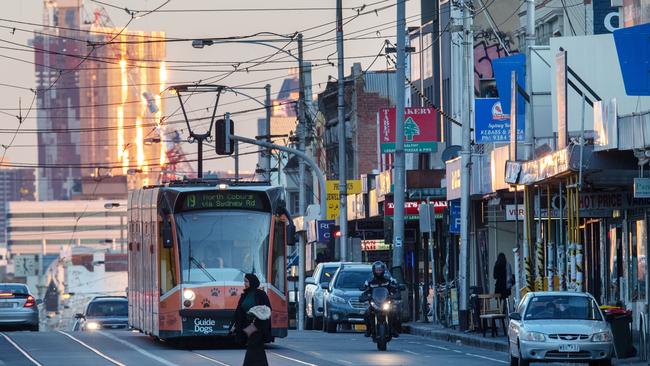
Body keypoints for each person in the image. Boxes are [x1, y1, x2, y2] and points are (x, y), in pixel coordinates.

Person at [230, 273, 272, 366]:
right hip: (247, 325)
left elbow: (267, 310)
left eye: (246, 281)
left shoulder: (261, 294)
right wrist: (234, 324)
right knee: (257, 348)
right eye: (244, 281)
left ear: (252, 282)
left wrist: (257, 314)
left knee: (253, 346)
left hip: (258, 325)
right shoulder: (244, 295)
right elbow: (239, 311)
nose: (244, 283)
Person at [361, 261, 401, 338]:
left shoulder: (388, 281)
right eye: (377, 270)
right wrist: (364, 297)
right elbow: (365, 291)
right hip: (375, 303)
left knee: (394, 312)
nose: (378, 272)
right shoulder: (370, 282)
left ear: (383, 270)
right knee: (367, 313)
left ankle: (393, 329)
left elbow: (394, 289)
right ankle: (369, 330)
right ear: (374, 270)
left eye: (380, 270)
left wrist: (395, 295)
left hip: (386, 302)